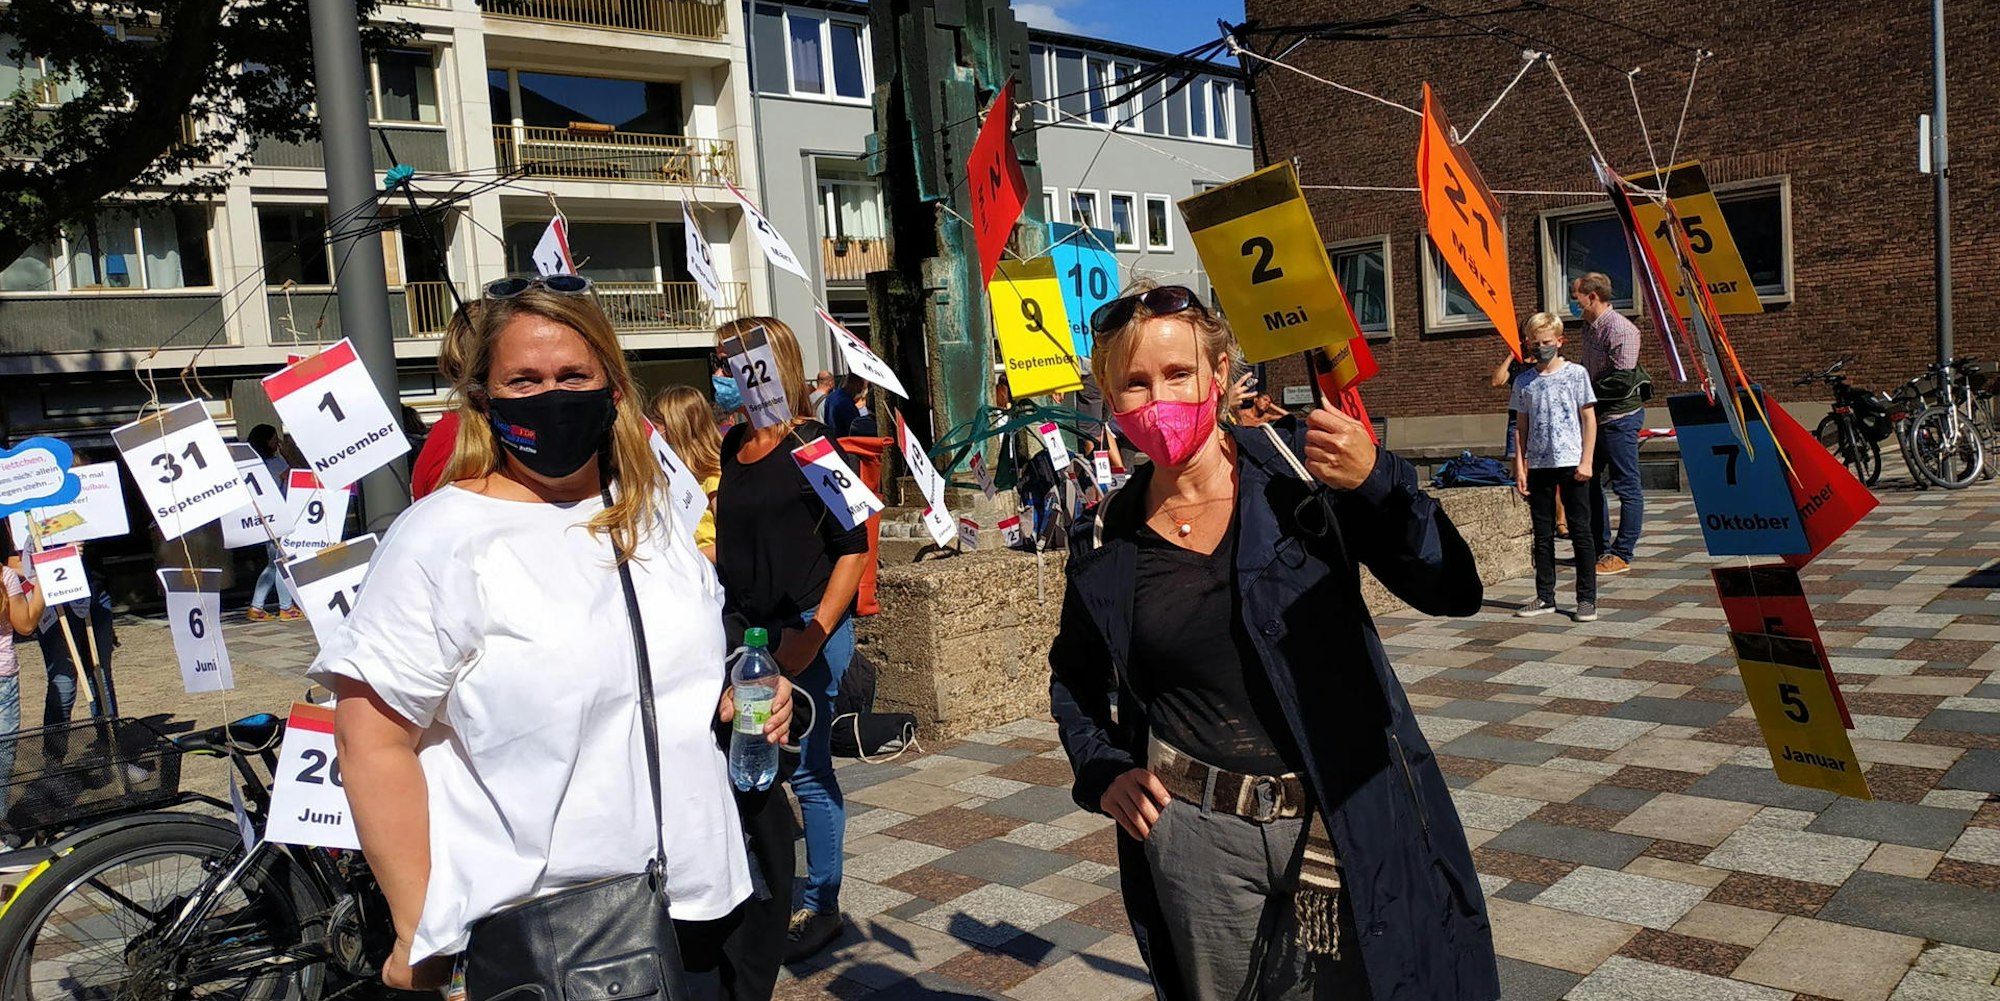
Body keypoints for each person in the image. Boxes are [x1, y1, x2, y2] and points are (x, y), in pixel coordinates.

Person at [313, 279, 793, 998]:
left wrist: (744, 691)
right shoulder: (440, 538)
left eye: (573, 375)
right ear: (484, 397)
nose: (552, 395)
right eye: (524, 380)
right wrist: (420, 930)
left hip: (710, 901)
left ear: (613, 387)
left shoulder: (650, 512)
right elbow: (369, 739)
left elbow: (675, 663)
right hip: (557, 936)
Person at [1048, 282, 1496, 1001]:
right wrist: (1101, 770)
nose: (1158, 397)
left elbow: (1453, 588)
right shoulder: (1106, 535)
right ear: (1109, 396)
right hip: (1196, 842)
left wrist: (1380, 481)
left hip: (1343, 819)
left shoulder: (1298, 474)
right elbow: (1072, 677)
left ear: (1219, 374)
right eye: (1134, 382)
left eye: (1177, 374)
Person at [712, 316, 868, 965]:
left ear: (766, 367)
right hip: (751, 639)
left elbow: (854, 546)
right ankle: (767, 884)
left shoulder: (811, 442)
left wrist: (813, 635)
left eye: (730, 363)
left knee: (805, 769)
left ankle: (823, 904)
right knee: (751, 761)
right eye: (718, 363)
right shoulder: (732, 445)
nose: (720, 376)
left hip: (807, 632)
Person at [1510, 312, 1599, 621]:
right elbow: (1520, 426)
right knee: (1542, 532)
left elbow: (1589, 418)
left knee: (1580, 530)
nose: (1540, 347)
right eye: (1534, 342)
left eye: (1546, 342)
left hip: (1571, 460)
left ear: (1560, 341)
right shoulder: (1524, 380)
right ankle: (1545, 595)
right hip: (1540, 464)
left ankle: (1586, 598)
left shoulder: (1576, 374)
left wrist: (1587, 459)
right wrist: (1520, 466)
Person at [1571, 272, 1649, 576]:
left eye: (1575, 296)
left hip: (1619, 418)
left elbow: (1621, 380)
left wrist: (1584, 393)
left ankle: (1622, 552)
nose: (1572, 302)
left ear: (1592, 296)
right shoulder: (1588, 328)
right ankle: (1599, 547)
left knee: (1627, 486)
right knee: (1587, 479)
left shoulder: (1622, 330)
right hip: (1595, 418)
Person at [1491, 351, 1566, 538]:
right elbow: (1497, 381)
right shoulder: (1516, 366)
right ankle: (1531, 519)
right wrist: (1509, 357)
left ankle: (1560, 520)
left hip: (1541, 421)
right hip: (1518, 422)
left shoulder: (1546, 363)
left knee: (1548, 474)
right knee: (1522, 475)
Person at [648, 385, 724, 562]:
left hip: (713, 577)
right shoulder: (683, 475)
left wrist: (684, 560)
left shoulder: (714, 476)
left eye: (657, 428)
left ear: (676, 429)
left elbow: (731, 544)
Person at [3, 538, 48, 814]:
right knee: (1, 759)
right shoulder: (4, 576)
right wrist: (43, 584)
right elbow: (26, 624)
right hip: (2, 678)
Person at [244, 424, 301, 621]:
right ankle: (286, 607)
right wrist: (288, 454)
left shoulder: (252, 463)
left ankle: (256, 606)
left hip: (264, 518)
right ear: (266, 441)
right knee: (283, 562)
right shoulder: (276, 463)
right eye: (274, 438)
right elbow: (297, 479)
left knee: (272, 564)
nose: (277, 442)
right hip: (280, 517)